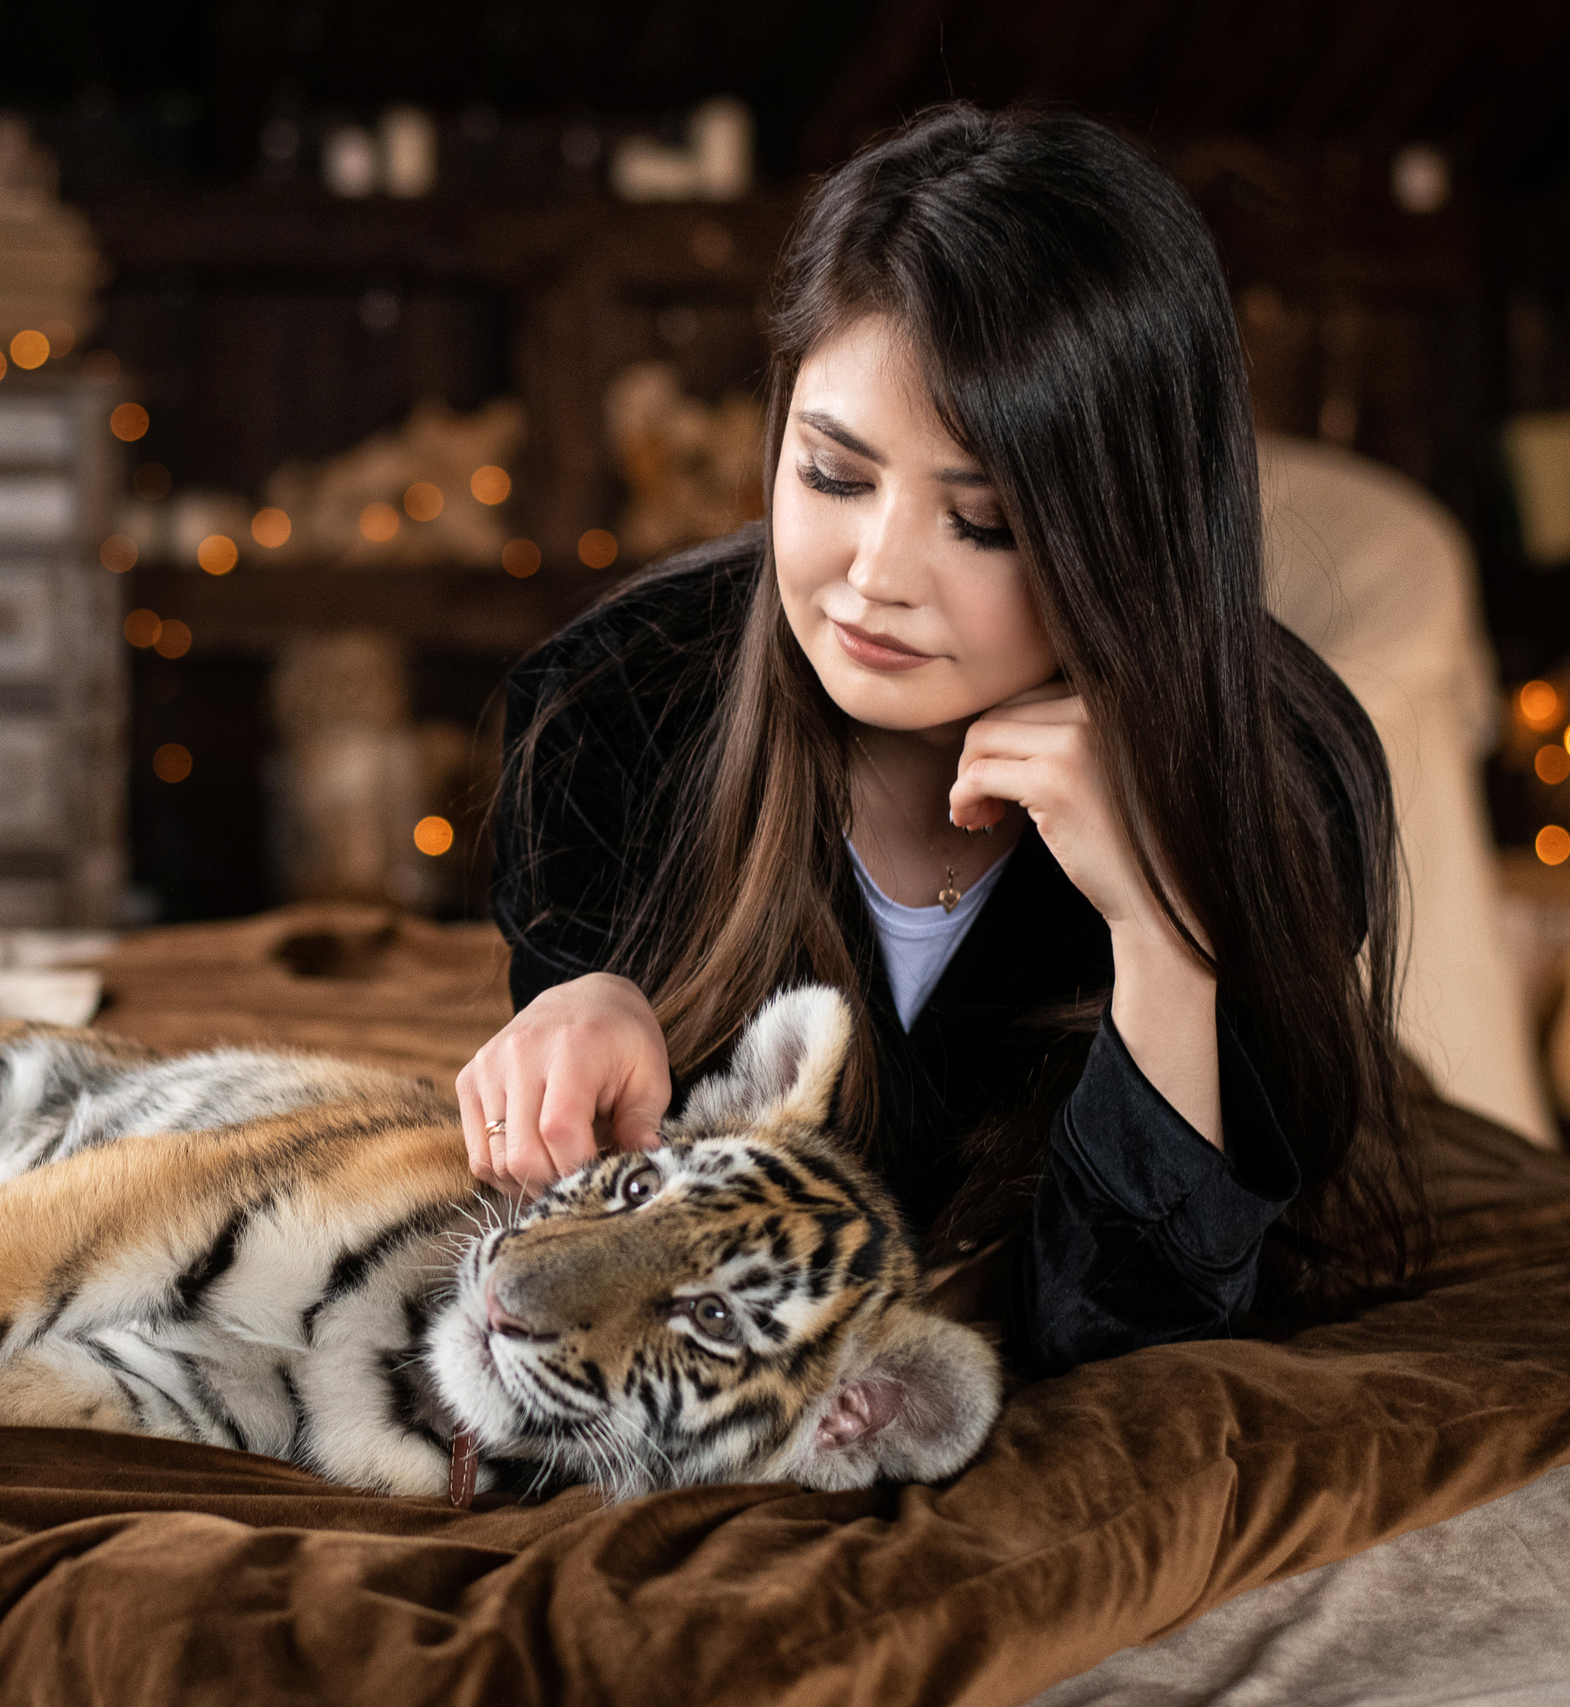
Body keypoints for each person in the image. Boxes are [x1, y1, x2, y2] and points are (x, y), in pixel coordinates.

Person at [459, 103, 1427, 1378]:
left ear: (1123, 535)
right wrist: (577, 1002)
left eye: (982, 524)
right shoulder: (611, 711)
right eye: (834, 478)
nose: (874, 579)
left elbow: (1130, 1339)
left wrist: (1157, 930)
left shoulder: (1285, 784)